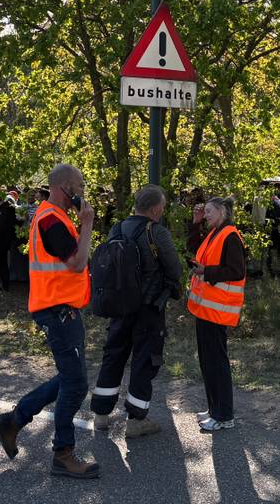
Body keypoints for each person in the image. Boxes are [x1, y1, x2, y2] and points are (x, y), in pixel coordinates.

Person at [0, 163, 99, 479]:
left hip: (61, 308)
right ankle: (63, 454)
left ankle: (14, 419)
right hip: (57, 310)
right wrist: (88, 224)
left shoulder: (56, 217)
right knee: (76, 382)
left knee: (70, 377)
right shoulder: (52, 218)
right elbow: (78, 264)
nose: (82, 192)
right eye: (79, 186)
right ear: (64, 186)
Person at [90, 185, 182, 438]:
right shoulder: (157, 231)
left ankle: (100, 414)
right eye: (162, 207)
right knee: (145, 359)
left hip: (119, 305)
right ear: (154, 209)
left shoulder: (116, 229)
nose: (162, 212)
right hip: (148, 308)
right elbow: (174, 269)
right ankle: (136, 419)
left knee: (113, 355)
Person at [186, 197, 246, 433]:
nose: (206, 214)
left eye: (209, 211)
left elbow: (236, 271)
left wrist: (206, 271)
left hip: (218, 310)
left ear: (222, 211)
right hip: (206, 308)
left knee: (216, 363)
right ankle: (214, 409)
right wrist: (195, 223)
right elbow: (194, 249)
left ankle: (224, 415)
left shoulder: (230, 235)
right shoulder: (214, 233)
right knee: (207, 361)